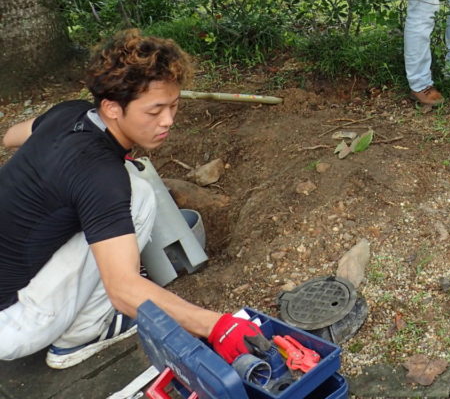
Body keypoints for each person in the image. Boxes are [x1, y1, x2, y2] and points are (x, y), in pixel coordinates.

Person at [0, 30, 264, 369]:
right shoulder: (102, 178)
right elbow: (123, 289)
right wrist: (216, 326)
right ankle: (82, 334)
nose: (168, 120)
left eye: (174, 105)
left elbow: (11, 138)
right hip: (13, 326)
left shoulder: (68, 113)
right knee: (139, 192)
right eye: (154, 111)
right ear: (111, 107)